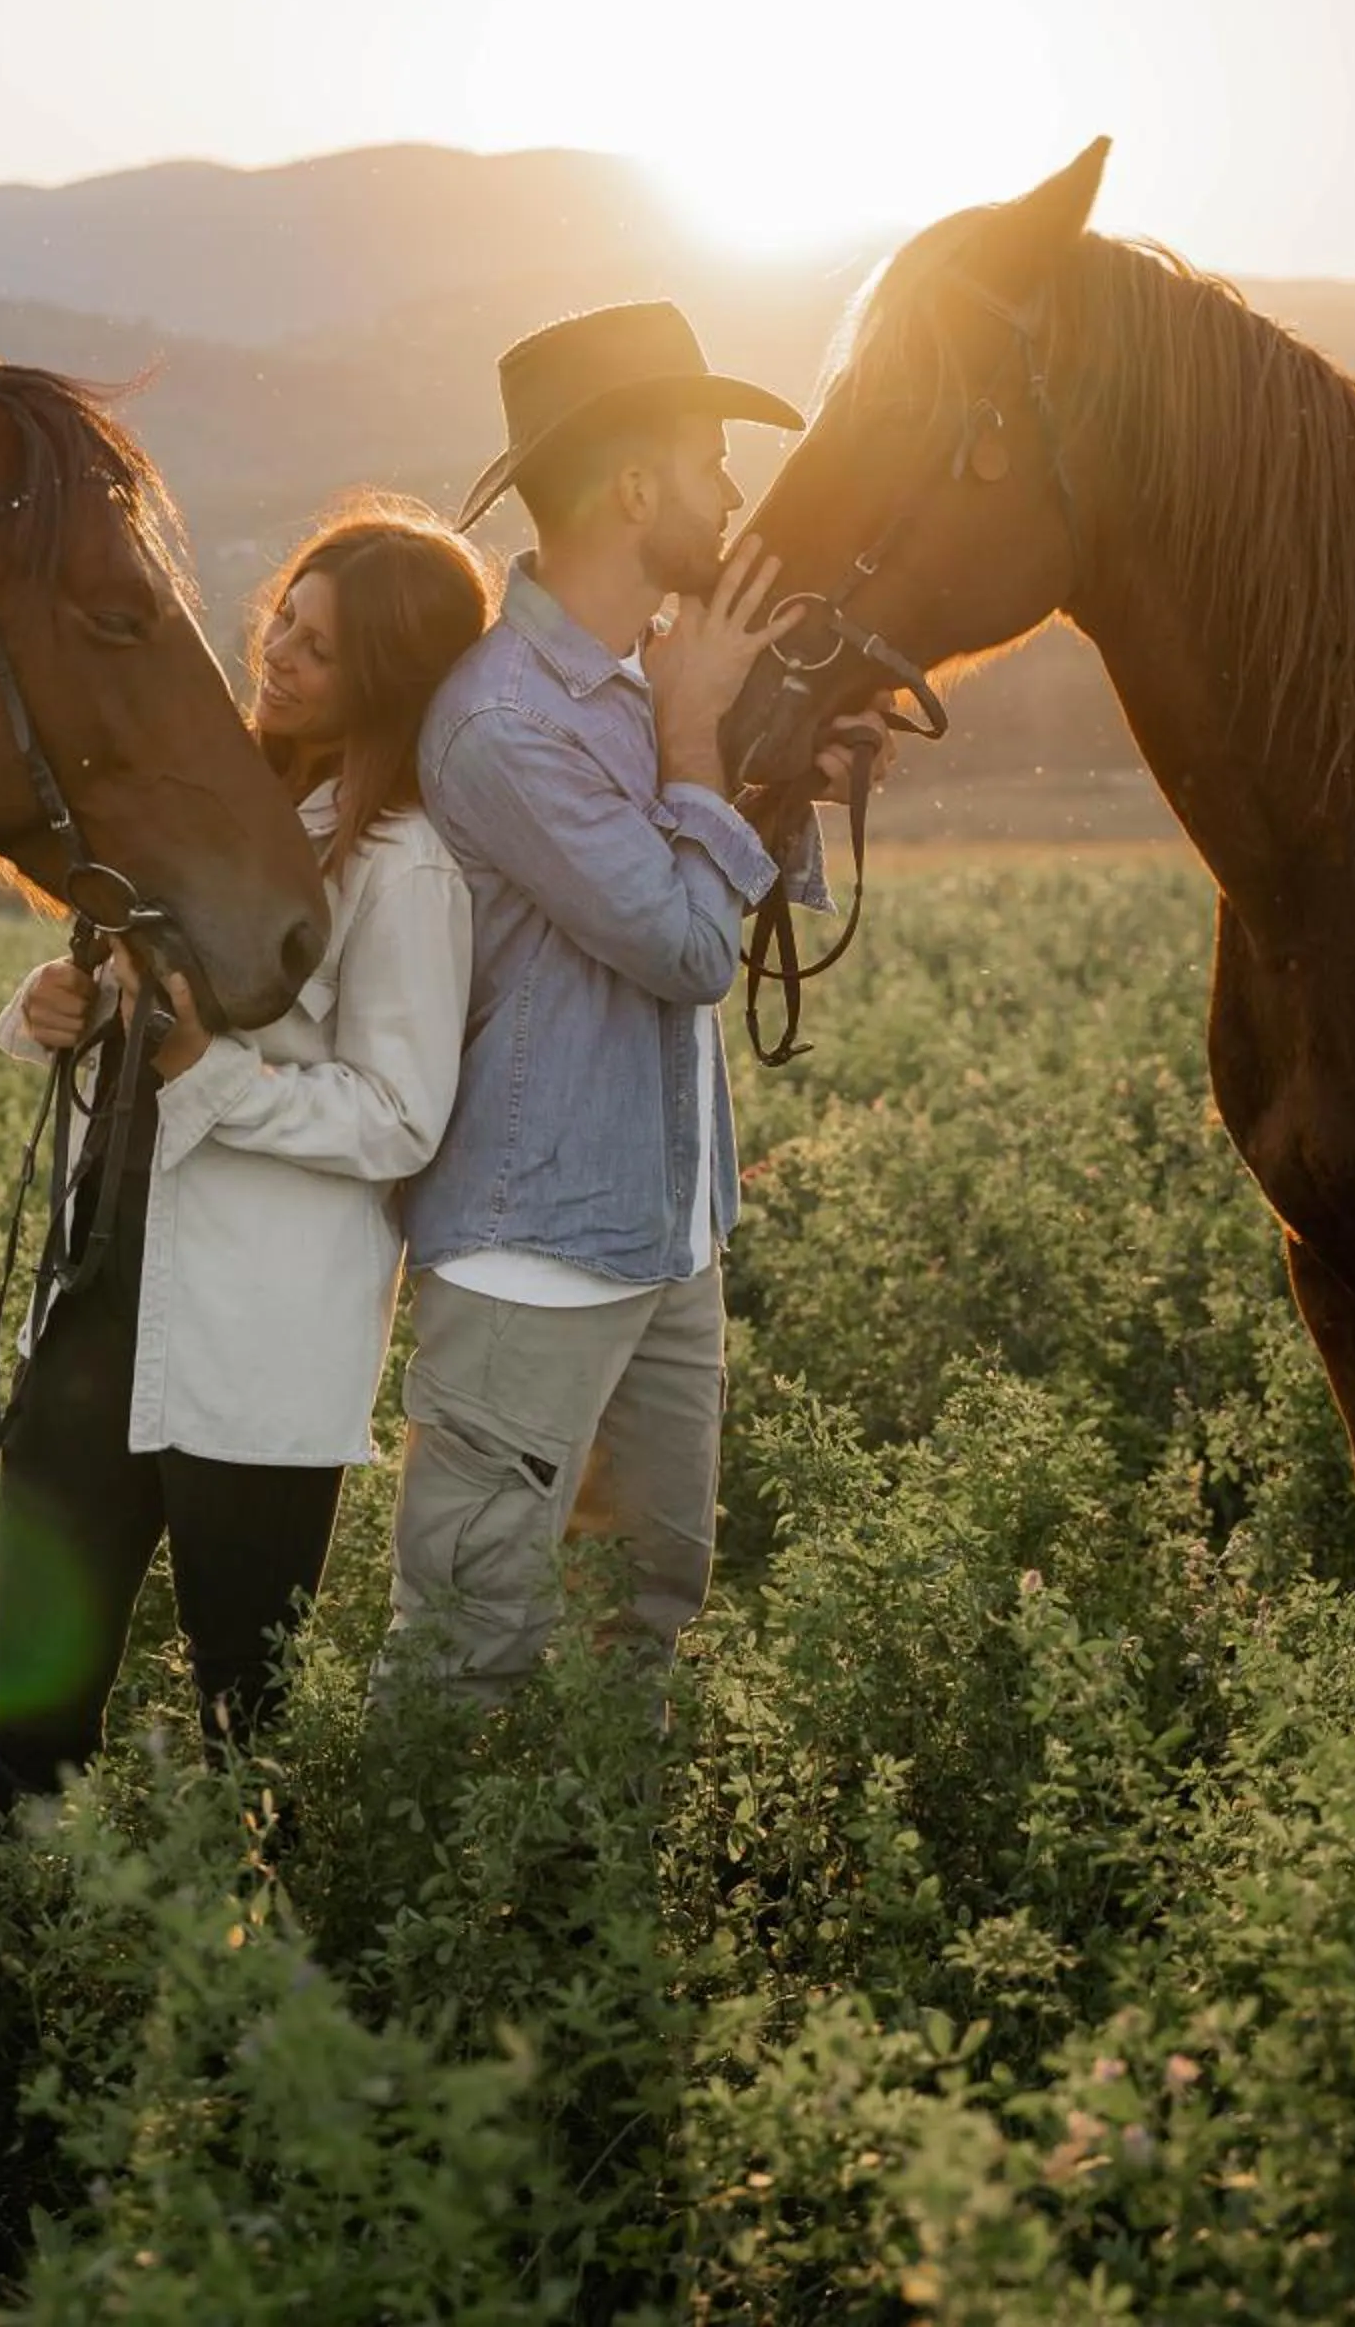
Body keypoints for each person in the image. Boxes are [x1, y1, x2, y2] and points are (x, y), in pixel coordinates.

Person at [381, 300, 892, 1706]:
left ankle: (592, 1918)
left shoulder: (647, 676)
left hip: (668, 1229)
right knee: (469, 1645)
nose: (733, 492)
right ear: (633, 488)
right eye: (710, 459)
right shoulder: (503, 723)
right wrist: (695, 738)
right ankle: (399, 1920)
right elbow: (682, 946)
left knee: (645, 1617)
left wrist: (781, 776)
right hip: (534, 1251)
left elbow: (719, 888)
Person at [0, 504, 490, 1811]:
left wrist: (216, 1079)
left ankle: (241, 1973)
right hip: (102, 1294)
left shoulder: (400, 868)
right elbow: (143, 1003)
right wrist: (69, 1003)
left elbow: (400, 1115)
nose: (279, 658)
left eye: (322, 648)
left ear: (387, 679)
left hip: (256, 1342)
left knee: (239, 1724)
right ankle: (8, 1961)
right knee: (31, 1707)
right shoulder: (204, 817)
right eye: (284, 623)